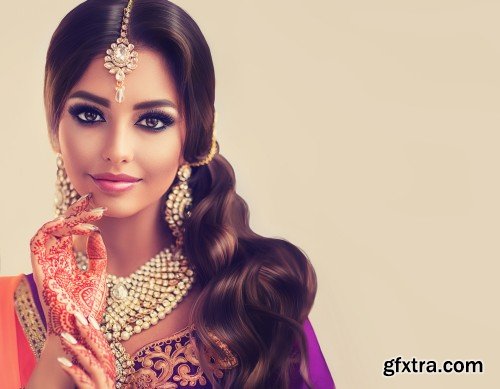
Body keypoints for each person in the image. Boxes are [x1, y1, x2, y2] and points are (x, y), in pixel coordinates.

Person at [0, 0, 334, 388]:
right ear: (53, 122)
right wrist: (63, 337)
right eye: (90, 115)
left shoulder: (254, 301)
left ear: (192, 135)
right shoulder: (8, 310)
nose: (118, 149)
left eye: (153, 121)